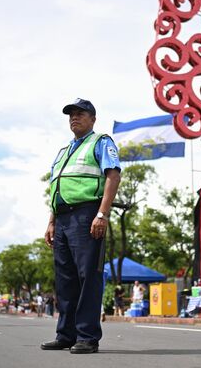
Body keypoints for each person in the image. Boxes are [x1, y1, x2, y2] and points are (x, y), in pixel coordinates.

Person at [40, 98, 121, 354]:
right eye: (71, 115)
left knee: (89, 277)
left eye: (80, 114)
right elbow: (56, 188)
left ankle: (87, 336)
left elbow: (113, 174)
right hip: (62, 219)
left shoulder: (101, 142)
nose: (74, 118)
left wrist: (102, 214)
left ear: (93, 119)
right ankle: (66, 334)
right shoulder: (63, 151)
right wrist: (51, 221)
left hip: (87, 215)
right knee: (65, 280)